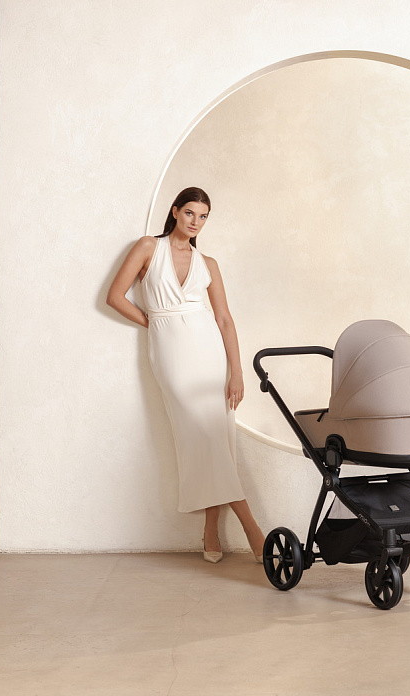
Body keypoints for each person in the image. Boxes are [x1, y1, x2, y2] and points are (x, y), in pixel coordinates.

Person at [106, 186, 265, 564]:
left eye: (203, 216)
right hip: (171, 354)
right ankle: (252, 529)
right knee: (201, 435)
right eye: (190, 212)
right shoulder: (148, 247)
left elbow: (224, 319)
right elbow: (114, 296)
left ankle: (211, 530)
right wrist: (155, 323)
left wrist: (237, 372)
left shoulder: (208, 263)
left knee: (215, 437)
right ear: (175, 211)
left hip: (210, 353)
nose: (196, 221)